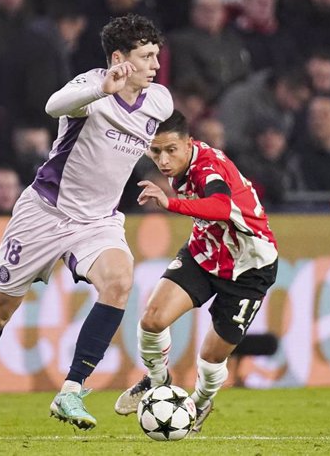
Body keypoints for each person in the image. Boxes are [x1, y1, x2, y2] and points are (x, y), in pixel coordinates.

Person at [0, 14, 172, 439]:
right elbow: (52, 106)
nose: (156, 64)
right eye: (146, 56)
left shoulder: (160, 101)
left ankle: (71, 389)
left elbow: (160, 145)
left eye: (156, 55)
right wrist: (103, 88)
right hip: (45, 213)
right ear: (119, 59)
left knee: (120, 281)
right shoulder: (90, 87)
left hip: (98, 220)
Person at [113, 110, 278, 432]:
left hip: (249, 266)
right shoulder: (179, 163)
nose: (163, 159)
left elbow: (220, 205)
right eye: (155, 150)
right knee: (152, 319)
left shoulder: (208, 167)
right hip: (204, 252)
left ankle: (201, 402)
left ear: (189, 144)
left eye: (171, 150)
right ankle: (157, 382)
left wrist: (169, 204)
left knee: (213, 356)